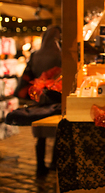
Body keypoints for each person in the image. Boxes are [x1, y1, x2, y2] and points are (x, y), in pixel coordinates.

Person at [14, 25, 62, 177]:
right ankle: (54, 162)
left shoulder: (35, 55)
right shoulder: (61, 55)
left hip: (38, 96)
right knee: (58, 130)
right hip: (56, 96)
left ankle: (40, 166)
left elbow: (27, 75)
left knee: (40, 133)